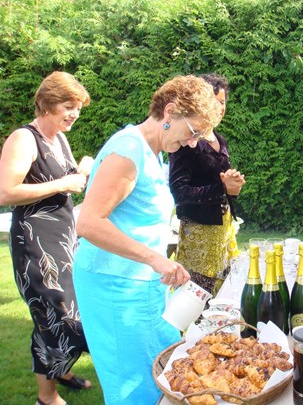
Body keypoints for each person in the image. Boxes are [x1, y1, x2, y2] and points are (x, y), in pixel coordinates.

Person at [72, 75, 222, 405]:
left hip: (141, 282)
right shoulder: (128, 150)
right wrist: (155, 259)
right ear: (170, 112)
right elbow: (88, 222)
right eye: (193, 131)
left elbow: (133, 221)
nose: (193, 142)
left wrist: (160, 259)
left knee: (162, 372)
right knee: (137, 387)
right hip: (115, 287)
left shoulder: (152, 153)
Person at [0, 71, 93, 405]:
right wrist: (62, 184)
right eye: (68, 106)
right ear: (48, 103)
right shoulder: (25, 139)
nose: (74, 114)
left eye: (78, 108)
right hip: (35, 246)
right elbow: (5, 191)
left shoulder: (59, 138)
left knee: (63, 314)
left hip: (64, 241)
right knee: (57, 315)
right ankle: (47, 396)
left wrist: (80, 172)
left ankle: (59, 373)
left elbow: (64, 184)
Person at [169, 73, 246, 296]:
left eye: (222, 102)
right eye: (214, 102)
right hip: (198, 239)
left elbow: (218, 185)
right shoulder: (187, 141)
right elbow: (180, 193)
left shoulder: (219, 140)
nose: (219, 108)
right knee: (196, 300)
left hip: (223, 233)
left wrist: (232, 186)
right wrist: (222, 188)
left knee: (224, 298)